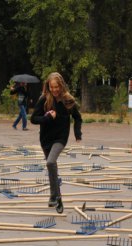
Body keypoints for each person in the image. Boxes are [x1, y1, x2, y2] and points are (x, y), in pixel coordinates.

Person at [30, 72, 82, 212]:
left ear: (61, 86)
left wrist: (77, 133)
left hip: (60, 138)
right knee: (51, 167)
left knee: (50, 162)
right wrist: (47, 118)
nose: (54, 90)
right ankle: (55, 197)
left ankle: (55, 196)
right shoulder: (44, 99)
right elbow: (34, 119)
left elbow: (78, 118)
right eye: (52, 87)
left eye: (57, 87)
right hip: (46, 139)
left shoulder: (68, 100)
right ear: (48, 86)